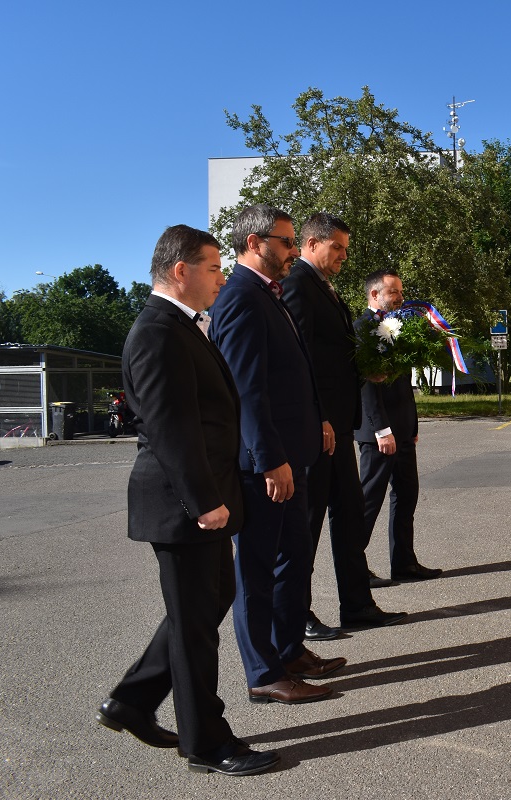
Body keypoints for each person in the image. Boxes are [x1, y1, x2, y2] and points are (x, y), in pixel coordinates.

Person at [97, 224, 278, 776]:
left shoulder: (183, 327)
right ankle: (205, 741)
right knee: (195, 623)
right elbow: (172, 429)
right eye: (214, 268)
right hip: (182, 504)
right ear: (181, 270)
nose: (221, 278)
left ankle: (131, 700)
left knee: (206, 603)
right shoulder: (156, 332)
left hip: (199, 497)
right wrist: (203, 501)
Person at [208, 204, 343, 706]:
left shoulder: (270, 293)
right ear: (253, 243)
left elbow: (292, 371)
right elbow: (247, 389)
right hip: (267, 464)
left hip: (294, 451)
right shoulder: (241, 297)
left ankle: (288, 650)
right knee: (258, 571)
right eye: (286, 242)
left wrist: (319, 419)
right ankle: (264, 672)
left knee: (294, 557)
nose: (292, 251)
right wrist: (269, 459)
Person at [281, 212, 407, 637]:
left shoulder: (323, 286)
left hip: (338, 424)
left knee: (349, 516)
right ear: (312, 243)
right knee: (309, 525)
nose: (342, 257)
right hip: (320, 428)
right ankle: (299, 614)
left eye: (345, 250)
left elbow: (335, 354)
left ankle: (357, 604)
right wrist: (315, 418)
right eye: (336, 248)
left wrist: (364, 371)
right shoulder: (297, 284)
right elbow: (301, 360)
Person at [355, 268, 442, 582]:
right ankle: (355, 567)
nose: (402, 298)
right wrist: (382, 429)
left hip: (403, 428)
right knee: (369, 501)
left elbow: (403, 383)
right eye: (395, 293)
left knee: (407, 496)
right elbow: (367, 385)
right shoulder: (363, 328)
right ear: (376, 294)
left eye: (402, 292)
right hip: (380, 433)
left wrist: (413, 425)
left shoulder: (398, 326)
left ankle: (404, 562)